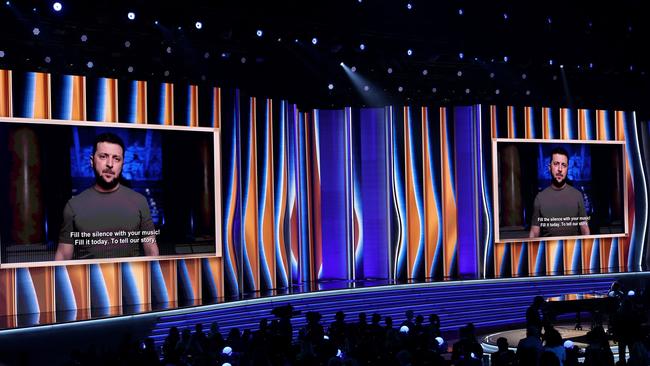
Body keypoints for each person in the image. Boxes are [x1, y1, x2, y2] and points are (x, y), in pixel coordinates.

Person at [55, 132, 159, 260]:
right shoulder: (74, 206)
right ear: (92, 161)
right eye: (103, 156)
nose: (110, 164)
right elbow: (63, 255)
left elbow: (151, 249)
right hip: (88, 279)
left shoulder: (139, 202)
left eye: (116, 158)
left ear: (122, 164)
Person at [529, 147, 590, 238]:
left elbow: (585, 229)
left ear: (567, 169)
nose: (560, 169)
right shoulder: (540, 198)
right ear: (550, 167)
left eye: (564, 165)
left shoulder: (577, 195)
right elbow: (534, 232)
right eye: (556, 164)